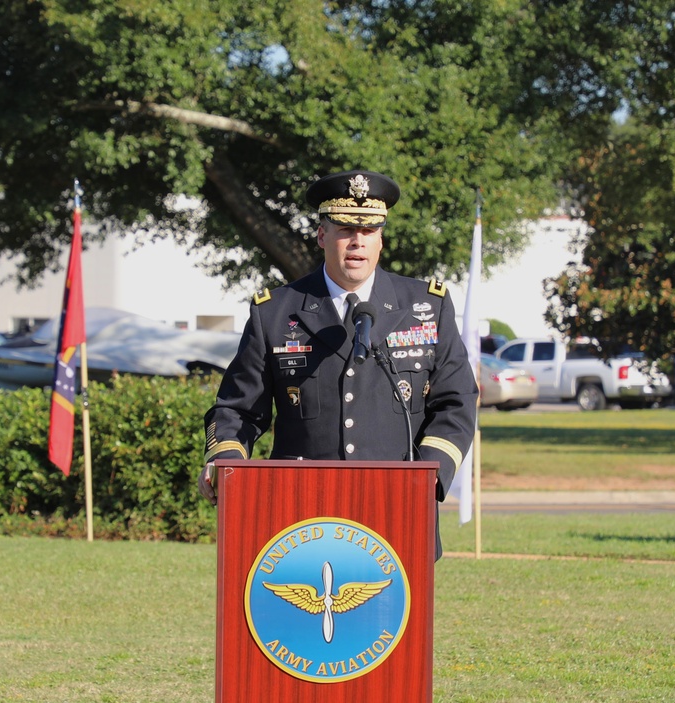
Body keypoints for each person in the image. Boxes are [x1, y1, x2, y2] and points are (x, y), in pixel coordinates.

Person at [199, 169, 478, 559]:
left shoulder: (426, 308)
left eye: (369, 230)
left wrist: (428, 475)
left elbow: (457, 401)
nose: (357, 241)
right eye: (345, 229)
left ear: (381, 239)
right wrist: (226, 463)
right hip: (299, 516)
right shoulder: (276, 313)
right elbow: (237, 408)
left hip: (397, 510)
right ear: (321, 236)